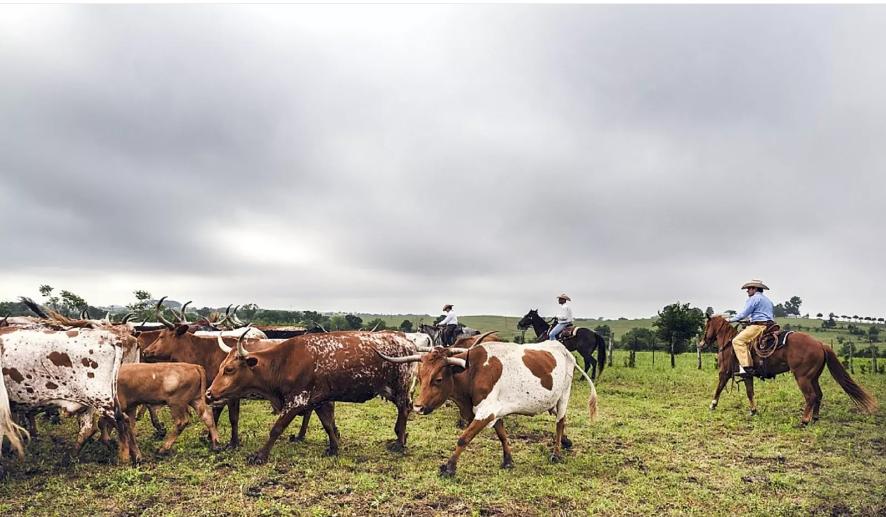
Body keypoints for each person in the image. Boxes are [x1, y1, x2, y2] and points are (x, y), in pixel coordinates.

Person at [729, 279, 775, 377]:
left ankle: (747, 368)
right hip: (769, 325)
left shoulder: (753, 299)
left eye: (749, 288)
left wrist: (730, 320)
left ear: (755, 289)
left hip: (758, 326)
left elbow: (744, 314)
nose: (747, 291)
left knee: (737, 341)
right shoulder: (768, 300)